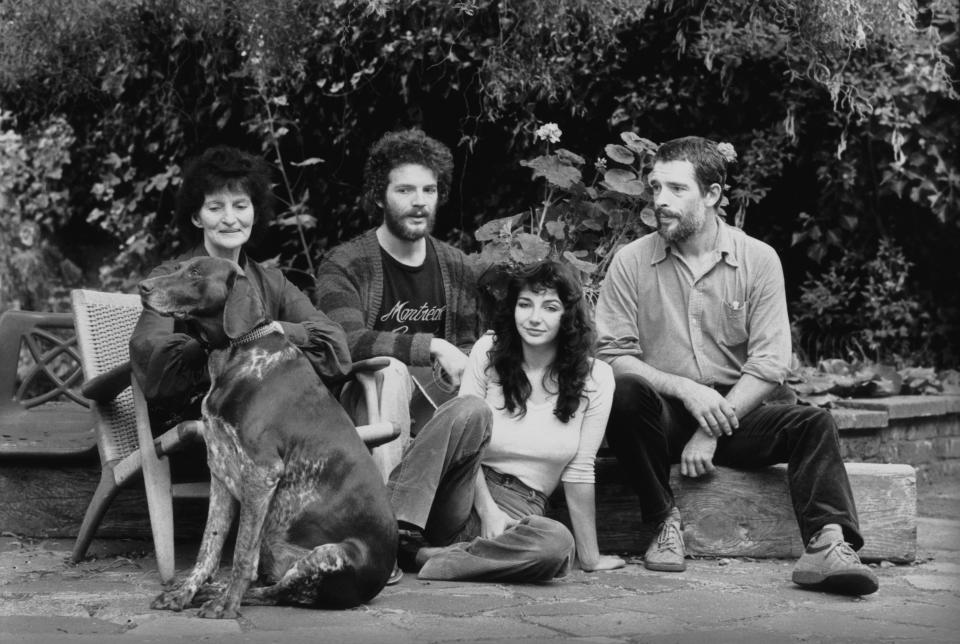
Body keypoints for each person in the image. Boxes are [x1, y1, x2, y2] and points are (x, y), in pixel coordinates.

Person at [595, 136, 879, 596]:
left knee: (813, 423)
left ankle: (828, 543)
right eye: (655, 188)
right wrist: (687, 390)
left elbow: (770, 363)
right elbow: (611, 354)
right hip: (660, 419)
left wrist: (712, 428)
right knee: (624, 393)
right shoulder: (631, 262)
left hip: (738, 415)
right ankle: (664, 523)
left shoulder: (758, 259)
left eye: (676, 189)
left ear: (711, 194)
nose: (660, 201)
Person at [388, 260, 625, 581]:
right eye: (525, 304)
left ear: (568, 314)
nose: (535, 318)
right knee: (470, 409)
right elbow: (464, 431)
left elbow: (580, 470)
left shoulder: (598, 377)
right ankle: (387, 535)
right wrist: (487, 510)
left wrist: (591, 558)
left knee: (557, 545)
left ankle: (435, 559)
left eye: (550, 307)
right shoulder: (488, 351)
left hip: (518, 513)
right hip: (463, 491)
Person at [130, 145, 351, 435]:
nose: (230, 218)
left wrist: (272, 331)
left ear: (255, 213)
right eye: (215, 207)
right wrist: (213, 346)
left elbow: (332, 343)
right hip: (199, 425)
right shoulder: (168, 277)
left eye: (240, 205)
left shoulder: (273, 282)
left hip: (273, 422)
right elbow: (150, 354)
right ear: (197, 217)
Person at [315, 128, 479, 478]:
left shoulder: (458, 266)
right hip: (364, 407)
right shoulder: (344, 263)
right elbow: (344, 341)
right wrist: (432, 346)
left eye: (429, 190)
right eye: (405, 190)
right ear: (379, 196)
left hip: (438, 408)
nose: (419, 201)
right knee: (390, 370)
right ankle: (389, 510)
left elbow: (466, 349)